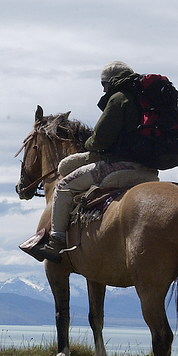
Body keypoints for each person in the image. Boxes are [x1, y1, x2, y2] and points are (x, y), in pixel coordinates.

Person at [30, 61, 153, 263]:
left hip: (120, 164)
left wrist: (88, 144)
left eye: (104, 84)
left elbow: (100, 139)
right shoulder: (145, 99)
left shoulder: (118, 99)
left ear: (112, 81)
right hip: (148, 166)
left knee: (62, 186)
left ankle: (56, 242)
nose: (103, 89)